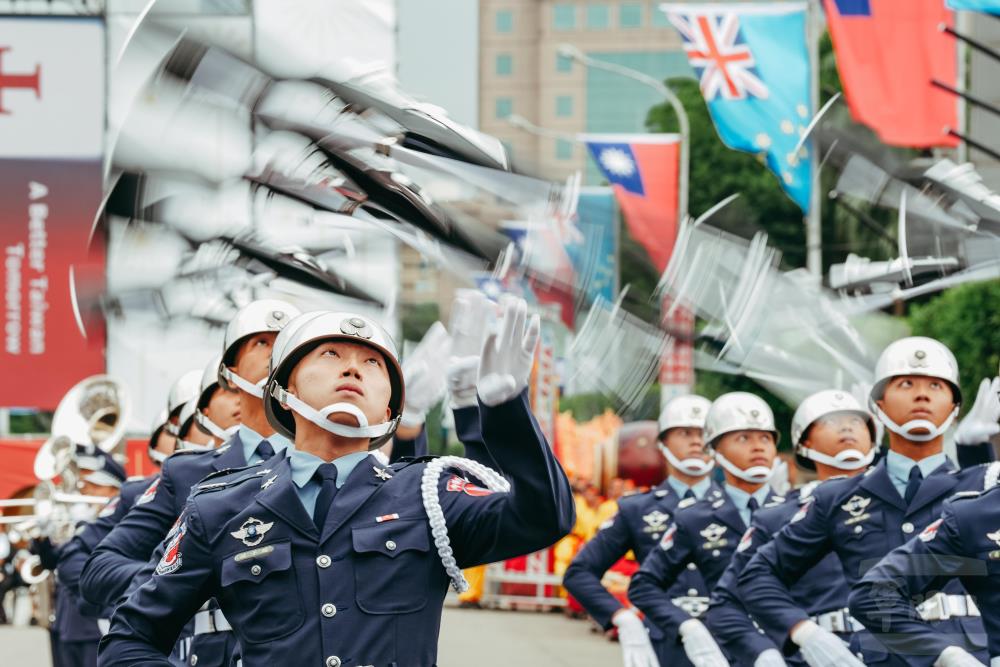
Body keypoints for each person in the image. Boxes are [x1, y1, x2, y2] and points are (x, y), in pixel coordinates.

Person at [98, 296, 575, 666]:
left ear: (389, 408)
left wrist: (504, 412)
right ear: (283, 393)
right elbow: (131, 636)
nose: (352, 367)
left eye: (372, 363)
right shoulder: (220, 506)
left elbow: (544, 517)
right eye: (330, 354)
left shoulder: (429, 495)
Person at [740, 337, 996, 667]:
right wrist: (804, 631)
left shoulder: (981, 485)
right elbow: (758, 573)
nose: (922, 394)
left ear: (954, 406)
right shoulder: (838, 497)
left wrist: (981, 454)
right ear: (878, 404)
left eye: (936, 385)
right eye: (906, 383)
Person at [81, 299, 303, 667]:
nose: (275, 351)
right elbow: (99, 569)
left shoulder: (332, 465)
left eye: (285, 343)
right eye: (261, 343)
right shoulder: (184, 473)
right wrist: (184, 575)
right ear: (229, 372)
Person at [705, 390, 877, 667]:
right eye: (831, 421)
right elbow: (726, 605)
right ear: (804, 442)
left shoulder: (907, 504)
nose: (846, 427)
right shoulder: (777, 516)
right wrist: (765, 652)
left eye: (857, 422)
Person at [849, 375, 1000, 667]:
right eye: (907, 385)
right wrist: (946, 656)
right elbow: (872, 596)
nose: (922, 396)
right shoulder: (975, 515)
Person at [629, 392, 783, 667]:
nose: (758, 447)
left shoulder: (798, 514)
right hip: (715, 650)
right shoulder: (695, 518)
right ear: (715, 450)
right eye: (744, 438)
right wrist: (686, 626)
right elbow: (644, 585)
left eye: (766, 438)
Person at [563, 394, 716, 667]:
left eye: (704, 434)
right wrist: (620, 616)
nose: (697, 441)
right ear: (663, 443)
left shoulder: (741, 506)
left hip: (728, 641)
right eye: (685, 433)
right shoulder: (638, 509)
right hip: (662, 643)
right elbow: (579, 573)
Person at [46, 448, 127, 667]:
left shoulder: (124, 526)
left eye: (96, 486)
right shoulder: (82, 522)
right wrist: (42, 538)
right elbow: (53, 561)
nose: (86, 491)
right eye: (86, 485)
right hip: (66, 623)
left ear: (115, 490)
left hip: (97, 626)